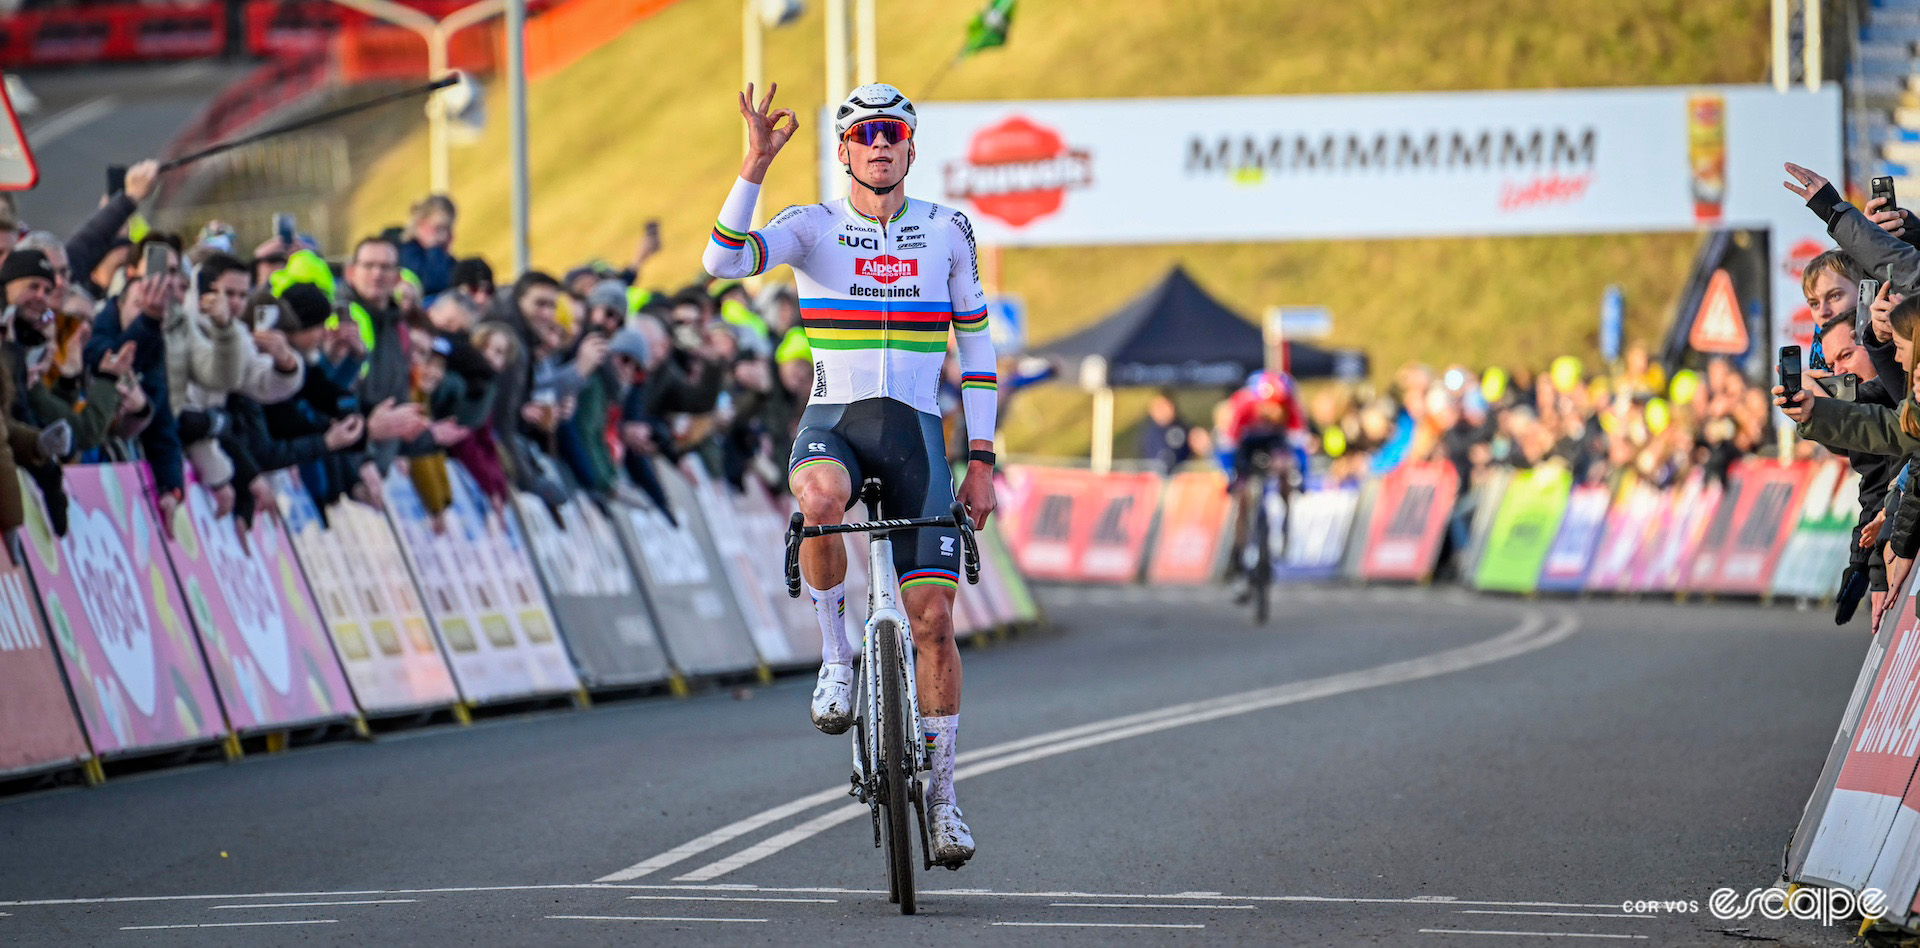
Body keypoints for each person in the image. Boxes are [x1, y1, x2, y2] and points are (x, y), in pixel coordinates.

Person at [702, 81, 996, 869]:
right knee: (821, 501)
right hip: (833, 423)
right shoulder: (810, 226)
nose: (878, 145)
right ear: (843, 150)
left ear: (909, 146)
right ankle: (836, 657)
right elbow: (720, 261)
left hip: (918, 439)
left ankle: (942, 800)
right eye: (863, 134)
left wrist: (984, 460)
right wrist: (755, 167)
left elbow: (978, 351)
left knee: (933, 622)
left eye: (891, 132)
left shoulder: (946, 229)